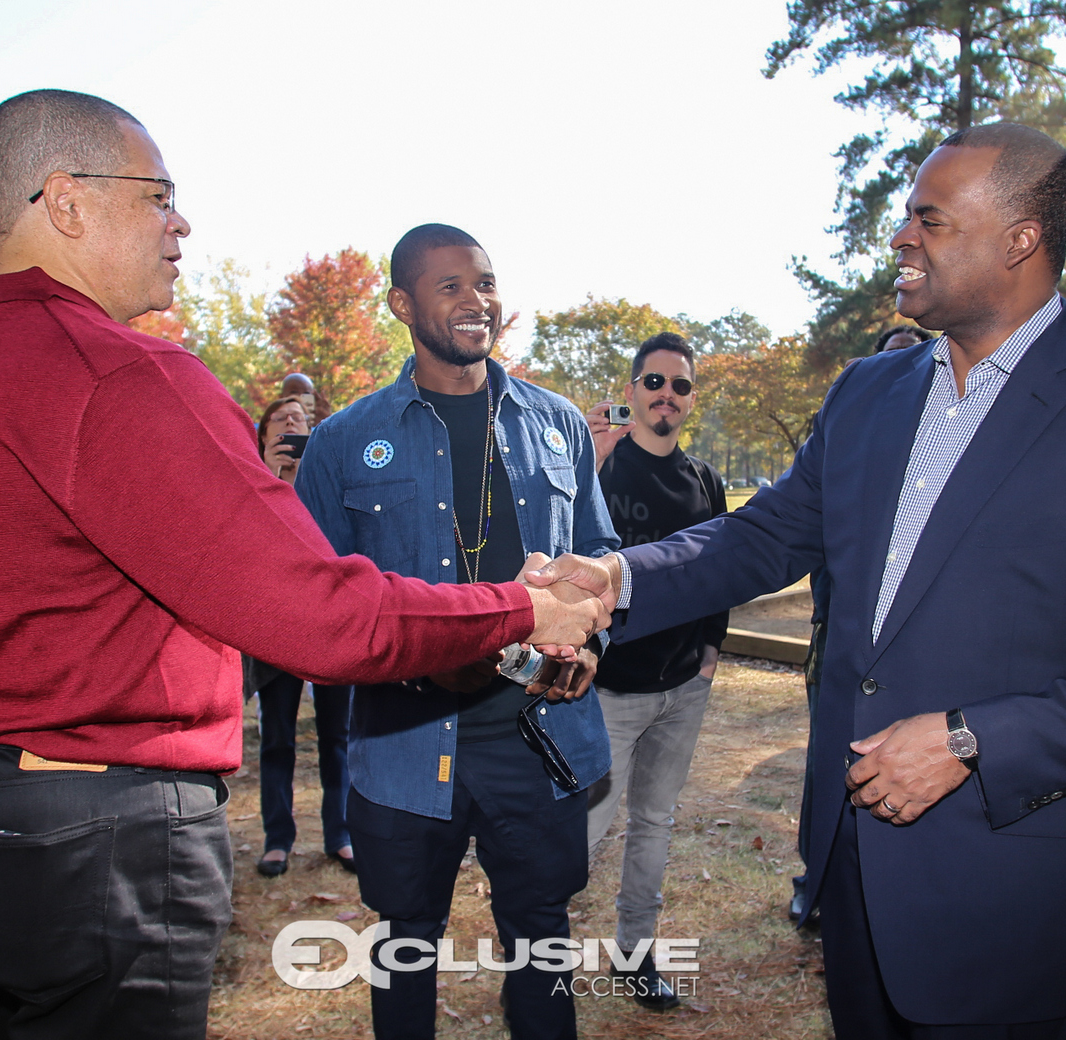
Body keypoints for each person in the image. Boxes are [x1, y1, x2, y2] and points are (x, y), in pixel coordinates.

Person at [0, 91, 607, 1040]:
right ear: (66, 200)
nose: (180, 223)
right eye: (158, 195)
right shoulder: (126, 378)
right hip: (95, 835)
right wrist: (518, 611)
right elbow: (320, 613)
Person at [528, 122, 1066, 1037]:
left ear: (1021, 238)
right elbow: (761, 537)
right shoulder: (869, 390)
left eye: (930, 219)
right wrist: (614, 577)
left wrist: (970, 740)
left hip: (1005, 892)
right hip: (854, 868)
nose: (902, 237)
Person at [296, 222, 616, 1040]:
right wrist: (414, 665)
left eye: (485, 282)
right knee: (404, 944)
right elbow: (314, 601)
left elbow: (601, 555)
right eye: (450, 286)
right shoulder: (341, 444)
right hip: (405, 744)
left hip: (535, 736)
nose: (476, 301)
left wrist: (589, 643)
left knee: (542, 942)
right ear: (402, 303)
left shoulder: (558, 425)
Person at [581, 331, 726, 1011]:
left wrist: (711, 654)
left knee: (655, 826)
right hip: (609, 691)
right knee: (584, 830)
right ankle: (535, 963)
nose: (667, 395)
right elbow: (560, 553)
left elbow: (722, 569)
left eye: (681, 385)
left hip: (682, 690)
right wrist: (590, 463)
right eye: (654, 382)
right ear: (632, 390)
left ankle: (636, 957)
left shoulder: (705, 481)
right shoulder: (601, 464)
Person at [247, 395, 354, 877]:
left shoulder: (325, 478)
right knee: (277, 739)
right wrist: (269, 476)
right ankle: (277, 838)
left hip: (330, 624)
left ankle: (341, 833)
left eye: (300, 420)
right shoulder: (248, 481)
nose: (293, 424)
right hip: (275, 626)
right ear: (265, 435)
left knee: (338, 736)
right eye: (281, 420)